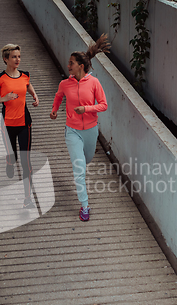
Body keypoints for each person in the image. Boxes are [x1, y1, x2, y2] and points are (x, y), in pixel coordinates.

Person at [50, 34, 110, 221]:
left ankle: (83, 166)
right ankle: (84, 205)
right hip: (72, 131)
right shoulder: (65, 84)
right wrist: (54, 110)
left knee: (87, 159)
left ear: (81, 66)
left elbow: (103, 105)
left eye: (71, 63)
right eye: (68, 63)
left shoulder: (94, 83)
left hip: (91, 130)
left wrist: (86, 109)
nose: (68, 66)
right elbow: (59, 96)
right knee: (79, 169)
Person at [0, 44, 39, 209]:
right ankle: (10, 162)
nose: (18, 59)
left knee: (26, 162)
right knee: (13, 156)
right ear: (6, 59)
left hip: (25, 123)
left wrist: (35, 96)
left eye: (19, 56)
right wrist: (5, 98)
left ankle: (27, 199)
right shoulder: (0, 78)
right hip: (7, 124)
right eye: (14, 57)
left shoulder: (24, 75)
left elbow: (28, 85)